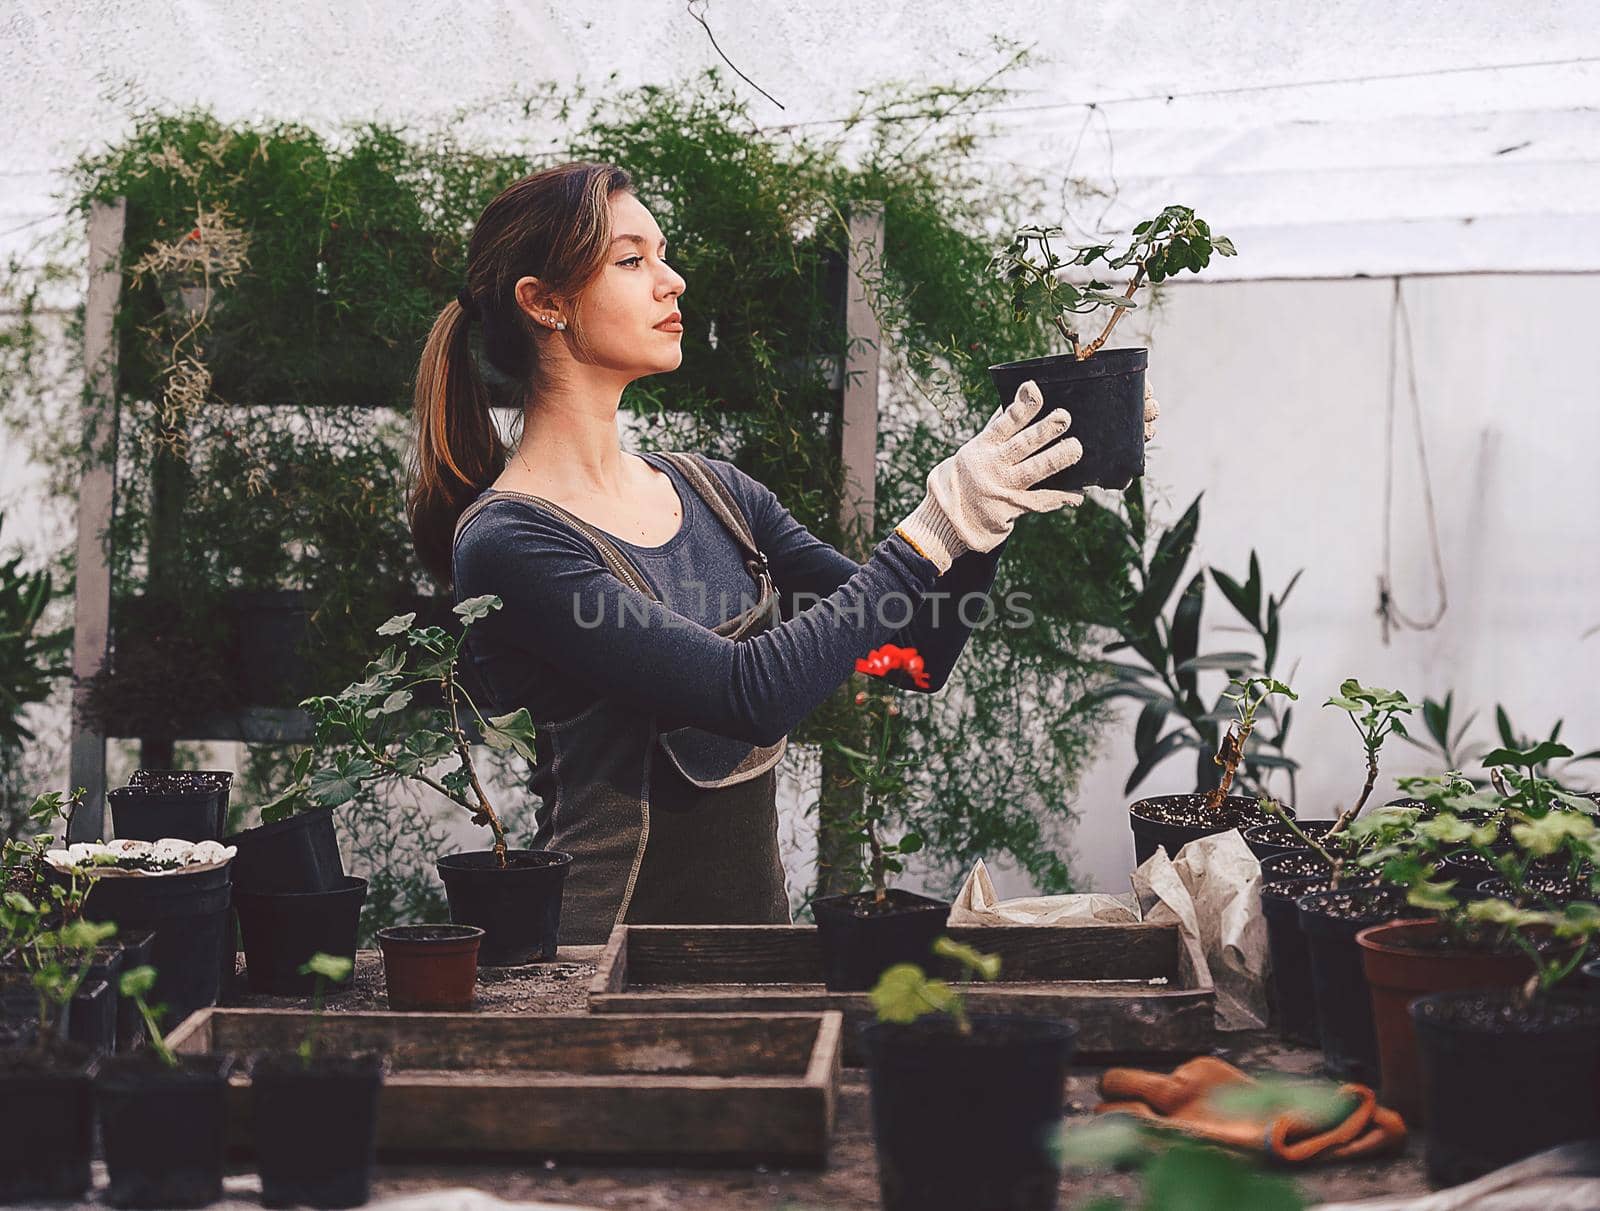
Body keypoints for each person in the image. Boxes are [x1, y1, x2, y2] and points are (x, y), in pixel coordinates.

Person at [407, 161, 1159, 945]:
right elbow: (748, 694)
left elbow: (913, 652)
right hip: (598, 972)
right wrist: (937, 524)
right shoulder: (511, 539)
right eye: (632, 260)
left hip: (757, 955)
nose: (673, 281)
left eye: (663, 254)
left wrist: (987, 512)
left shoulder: (716, 494)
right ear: (544, 303)